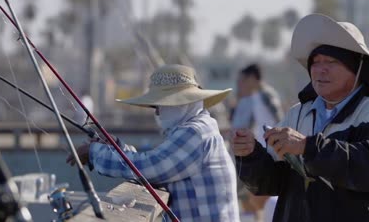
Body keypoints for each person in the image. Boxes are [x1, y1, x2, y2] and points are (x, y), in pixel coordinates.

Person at [233, 14, 369, 222]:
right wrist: (251, 154)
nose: (320, 69)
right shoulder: (297, 114)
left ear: (357, 68)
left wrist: (308, 147)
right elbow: (271, 183)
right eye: (315, 62)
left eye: (332, 61)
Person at [67, 64, 240, 222]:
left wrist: (94, 152)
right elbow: (156, 163)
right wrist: (115, 148)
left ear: (182, 103)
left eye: (160, 105)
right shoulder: (200, 128)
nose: (157, 112)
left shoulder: (195, 133)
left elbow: (150, 168)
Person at [231, 64, 282, 222]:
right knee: (250, 202)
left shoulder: (266, 95)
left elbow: (280, 121)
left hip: (265, 157)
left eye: (242, 81)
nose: (240, 85)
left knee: (259, 202)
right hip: (252, 155)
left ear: (253, 78)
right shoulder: (252, 98)